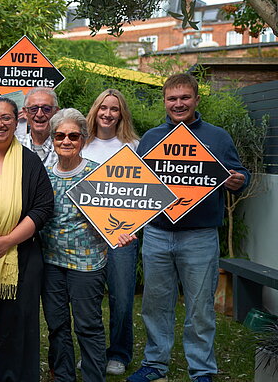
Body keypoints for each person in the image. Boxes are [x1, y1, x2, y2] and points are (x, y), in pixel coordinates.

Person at [127, 74, 250, 382]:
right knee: (155, 304)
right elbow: (138, 185)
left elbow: (239, 173)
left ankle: (202, 370)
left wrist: (239, 180)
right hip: (156, 233)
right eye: (172, 98)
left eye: (184, 98)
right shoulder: (152, 137)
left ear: (196, 99)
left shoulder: (217, 137)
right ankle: (155, 363)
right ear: (165, 101)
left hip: (200, 235)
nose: (178, 104)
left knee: (200, 307)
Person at [41, 108, 135, 382]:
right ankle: (64, 377)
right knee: (57, 326)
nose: (66, 141)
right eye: (60, 136)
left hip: (88, 264)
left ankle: (94, 377)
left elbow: (120, 215)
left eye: (73, 136)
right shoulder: (44, 175)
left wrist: (123, 232)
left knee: (88, 325)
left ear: (82, 139)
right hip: (51, 263)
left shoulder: (99, 175)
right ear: (53, 139)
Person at [0, 97, 54, 381]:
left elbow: (43, 207)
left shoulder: (29, 161)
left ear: (16, 120)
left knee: (16, 331)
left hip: (19, 256)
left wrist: (9, 241)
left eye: (6, 117)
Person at [81, 88, 141, 376]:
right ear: (95, 110)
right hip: (86, 234)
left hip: (122, 236)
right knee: (87, 299)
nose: (107, 113)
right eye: (103, 107)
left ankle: (118, 352)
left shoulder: (134, 146)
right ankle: (92, 351)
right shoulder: (82, 144)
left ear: (121, 114)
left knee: (122, 297)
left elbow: (145, 194)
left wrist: (134, 226)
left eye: (114, 109)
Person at [16, 87, 60, 168]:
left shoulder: (64, 146)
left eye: (46, 109)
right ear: (25, 113)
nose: (39, 114)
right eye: (34, 109)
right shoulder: (15, 144)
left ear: (56, 112)